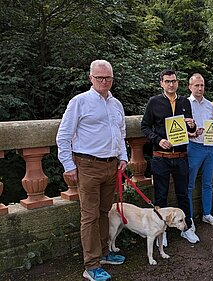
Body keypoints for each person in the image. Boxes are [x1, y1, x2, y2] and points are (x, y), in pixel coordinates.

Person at [56, 59, 128, 281]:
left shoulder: (116, 104)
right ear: (90, 78)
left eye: (108, 78)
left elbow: (121, 133)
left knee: (104, 212)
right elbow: (64, 136)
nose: (104, 81)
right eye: (100, 78)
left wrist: (123, 157)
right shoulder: (80, 102)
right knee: (89, 216)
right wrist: (68, 165)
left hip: (110, 165)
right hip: (87, 165)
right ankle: (91, 265)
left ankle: (104, 253)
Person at [141, 69, 200, 244]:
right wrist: (158, 140)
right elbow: (145, 127)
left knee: (183, 194)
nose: (171, 84)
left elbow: (190, 129)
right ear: (161, 83)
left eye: (173, 81)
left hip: (181, 156)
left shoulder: (184, 102)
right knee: (161, 196)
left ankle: (186, 228)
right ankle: (161, 232)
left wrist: (192, 125)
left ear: (177, 83)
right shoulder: (154, 102)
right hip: (161, 157)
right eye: (167, 81)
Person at [186, 73, 213, 227]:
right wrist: (193, 133)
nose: (200, 88)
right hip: (194, 147)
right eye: (196, 85)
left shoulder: (209, 105)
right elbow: (180, 130)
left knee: (208, 182)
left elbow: (211, 125)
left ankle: (207, 214)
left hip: (210, 147)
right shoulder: (185, 104)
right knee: (189, 184)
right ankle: (189, 218)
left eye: (202, 85)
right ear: (190, 87)